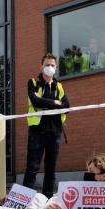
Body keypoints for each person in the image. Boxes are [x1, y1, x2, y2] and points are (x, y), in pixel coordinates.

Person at [23, 52, 70, 197]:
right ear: (41, 66)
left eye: (52, 65)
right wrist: (55, 103)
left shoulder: (59, 86)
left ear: (56, 67)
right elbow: (35, 101)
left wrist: (46, 103)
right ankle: (24, 201)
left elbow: (67, 107)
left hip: (55, 132)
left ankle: (47, 199)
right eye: (47, 65)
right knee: (32, 168)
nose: (50, 67)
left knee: (51, 169)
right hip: (37, 131)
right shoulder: (33, 82)